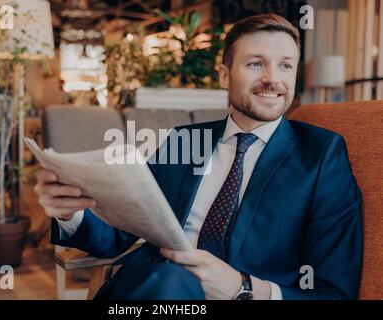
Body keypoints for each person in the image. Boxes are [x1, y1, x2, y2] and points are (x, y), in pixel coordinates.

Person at [34, 14, 363, 300]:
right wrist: (70, 213)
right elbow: (117, 236)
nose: (272, 79)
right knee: (168, 281)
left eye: (285, 65)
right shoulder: (185, 139)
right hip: (154, 287)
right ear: (224, 76)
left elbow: (334, 291)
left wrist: (243, 288)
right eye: (255, 63)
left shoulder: (321, 155)